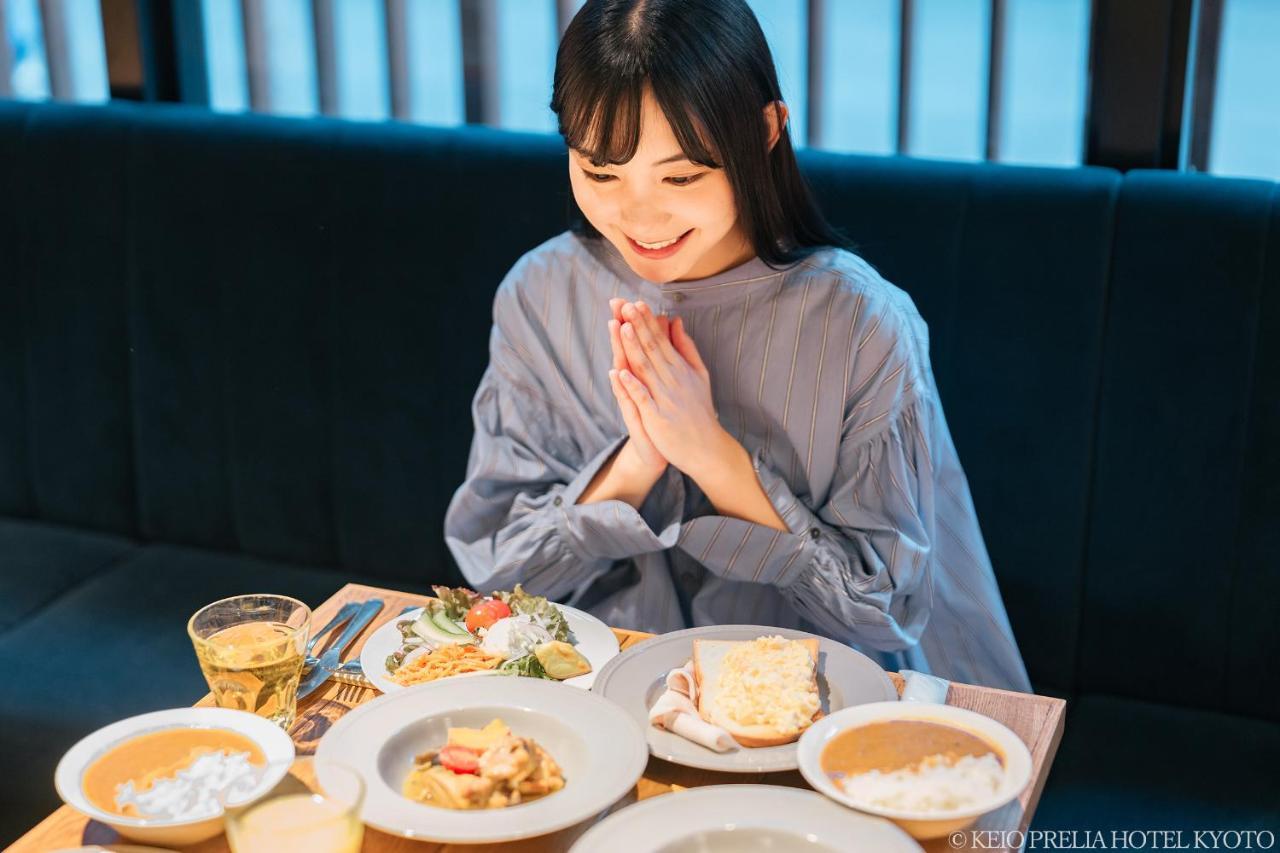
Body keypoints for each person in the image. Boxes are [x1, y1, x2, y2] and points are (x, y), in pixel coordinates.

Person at [444, 0, 1032, 692]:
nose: (638, 216)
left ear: (765, 131)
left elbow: (886, 613)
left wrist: (715, 458)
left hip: (816, 704)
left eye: (681, 176)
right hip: (603, 691)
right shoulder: (540, 295)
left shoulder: (863, 324)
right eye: (601, 172)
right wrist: (639, 463)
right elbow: (496, 573)